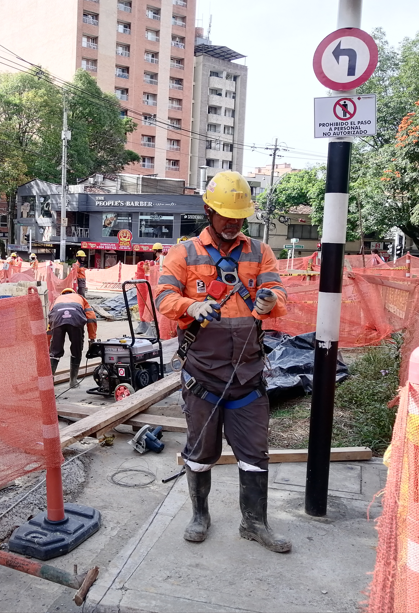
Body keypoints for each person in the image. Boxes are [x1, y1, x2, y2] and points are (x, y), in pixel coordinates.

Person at [155, 170, 291, 553]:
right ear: (208, 211)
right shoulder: (184, 253)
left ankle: (255, 523)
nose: (233, 223)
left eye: (239, 217)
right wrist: (191, 304)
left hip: (248, 374)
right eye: (227, 215)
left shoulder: (258, 251)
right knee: (200, 453)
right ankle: (200, 515)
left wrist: (270, 301)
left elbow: (277, 291)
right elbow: (164, 299)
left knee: (254, 454)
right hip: (203, 376)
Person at [47, 288, 97, 388]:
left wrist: (48, 345)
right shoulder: (80, 298)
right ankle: (73, 382)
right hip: (76, 317)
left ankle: (49, 384)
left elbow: (50, 323)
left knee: (55, 353)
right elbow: (91, 317)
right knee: (76, 350)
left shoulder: (57, 300)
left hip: (58, 318)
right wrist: (92, 338)